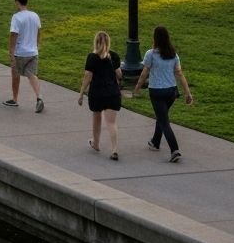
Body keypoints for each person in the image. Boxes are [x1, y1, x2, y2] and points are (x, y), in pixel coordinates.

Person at [132, 25, 194, 163]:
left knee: (164, 121)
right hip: (172, 92)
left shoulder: (151, 54)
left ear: (155, 38)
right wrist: (188, 93)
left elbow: (144, 73)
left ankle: (174, 149)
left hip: (157, 92)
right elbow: (180, 74)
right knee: (162, 115)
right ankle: (155, 142)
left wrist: (137, 88)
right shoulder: (173, 54)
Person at [77, 30, 123, 159]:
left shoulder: (92, 57)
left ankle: (96, 143)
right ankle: (114, 149)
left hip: (97, 93)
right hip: (112, 92)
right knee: (111, 123)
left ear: (96, 42)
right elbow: (119, 74)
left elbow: (88, 76)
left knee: (96, 118)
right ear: (108, 42)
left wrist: (81, 93)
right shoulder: (114, 56)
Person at [4, 0, 44, 111]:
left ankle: (15, 99)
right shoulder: (35, 15)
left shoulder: (16, 17)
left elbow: (13, 35)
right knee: (32, 75)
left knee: (15, 75)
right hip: (33, 52)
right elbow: (39, 32)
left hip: (20, 52)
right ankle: (39, 97)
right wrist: (35, 45)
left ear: (17, 2)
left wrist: (11, 52)